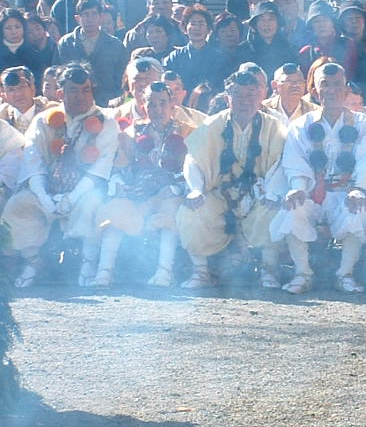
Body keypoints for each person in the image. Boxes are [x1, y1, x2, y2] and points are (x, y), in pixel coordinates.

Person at [3, 64, 121, 287]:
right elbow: (33, 162)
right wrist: (45, 198)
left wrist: (71, 198)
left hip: (86, 190)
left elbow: (100, 169)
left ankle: (88, 262)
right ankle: (34, 262)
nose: (81, 96)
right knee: (19, 204)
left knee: (93, 201)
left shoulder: (106, 121)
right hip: (46, 188)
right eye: (74, 90)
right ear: (60, 93)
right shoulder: (44, 120)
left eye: (86, 90)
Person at [270, 61, 366, 294]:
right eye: (325, 85)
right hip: (313, 192)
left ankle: (345, 274)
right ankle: (303, 273)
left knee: (357, 208)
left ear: (346, 90)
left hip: (346, 191)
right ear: (315, 92)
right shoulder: (301, 126)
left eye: (337, 85)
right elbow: (295, 162)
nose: (331, 91)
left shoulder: (364, 124)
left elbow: (365, 159)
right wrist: (298, 187)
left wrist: (359, 188)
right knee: (293, 208)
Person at [176, 65, 288, 289]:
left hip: (259, 193)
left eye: (251, 95)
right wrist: (196, 189)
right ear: (228, 98)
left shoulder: (274, 126)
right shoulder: (213, 125)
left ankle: (269, 269)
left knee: (274, 207)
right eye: (238, 95)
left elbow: (281, 164)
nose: (245, 100)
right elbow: (193, 160)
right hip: (220, 193)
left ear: (261, 97)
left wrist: (272, 191)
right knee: (191, 210)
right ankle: (201, 271)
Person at [93, 80, 198, 288]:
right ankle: (104, 271)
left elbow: (195, 170)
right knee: (116, 208)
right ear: (143, 107)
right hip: (139, 194)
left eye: (162, 103)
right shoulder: (132, 132)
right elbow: (120, 167)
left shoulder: (188, 132)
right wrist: (120, 183)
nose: (157, 110)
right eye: (151, 104)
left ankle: (164, 272)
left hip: (171, 194)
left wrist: (177, 188)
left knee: (171, 211)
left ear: (172, 106)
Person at [56, 0, 128, 107]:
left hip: (107, 103)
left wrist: (117, 100)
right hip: (74, 102)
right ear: (78, 18)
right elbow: (58, 73)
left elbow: (122, 78)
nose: (90, 18)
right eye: (86, 14)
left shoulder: (116, 45)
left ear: (101, 17)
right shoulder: (66, 43)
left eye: (94, 14)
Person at [0, 66, 49, 134]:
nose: (18, 94)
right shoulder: (2, 116)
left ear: (32, 88)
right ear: (3, 94)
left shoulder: (49, 111)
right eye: (11, 89)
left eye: (22, 87)